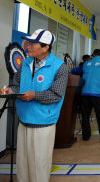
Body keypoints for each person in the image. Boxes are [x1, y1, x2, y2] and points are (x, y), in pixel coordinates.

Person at [5, 29, 68, 182]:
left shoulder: (60, 67)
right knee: (22, 163)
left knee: (39, 164)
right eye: (29, 43)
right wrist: (10, 89)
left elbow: (56, 95)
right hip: (24, 120)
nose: (28, 46)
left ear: (46, 47)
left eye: (33, 44)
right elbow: (18, 85)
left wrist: (34, 95)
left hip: (43, 123)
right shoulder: (26, 63)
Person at [71, 49, 100, 142]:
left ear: (93, 55)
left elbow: (74, 71)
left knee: (85, 115)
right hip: (97, 95)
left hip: (85, 94)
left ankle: (86, 136)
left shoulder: (85, 64)